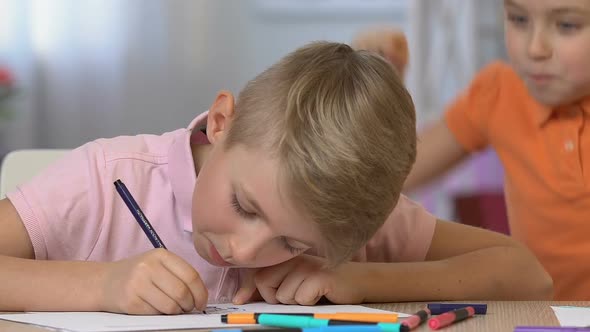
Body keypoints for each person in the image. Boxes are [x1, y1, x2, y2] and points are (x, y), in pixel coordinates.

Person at [0, 41, 551, 315]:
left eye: (290, 243)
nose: (245, 250)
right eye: (244, 205)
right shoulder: (109, 180)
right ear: (221, 122)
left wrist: (361, 282)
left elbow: (528, 274)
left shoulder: (341, 212)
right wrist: (101, 287)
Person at [353, 0, 590, 300]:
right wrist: (383, 92)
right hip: (535, 315)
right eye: (518, 19)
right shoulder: (499, 92)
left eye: (567, 25)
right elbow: (391, 177)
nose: (535, 49)